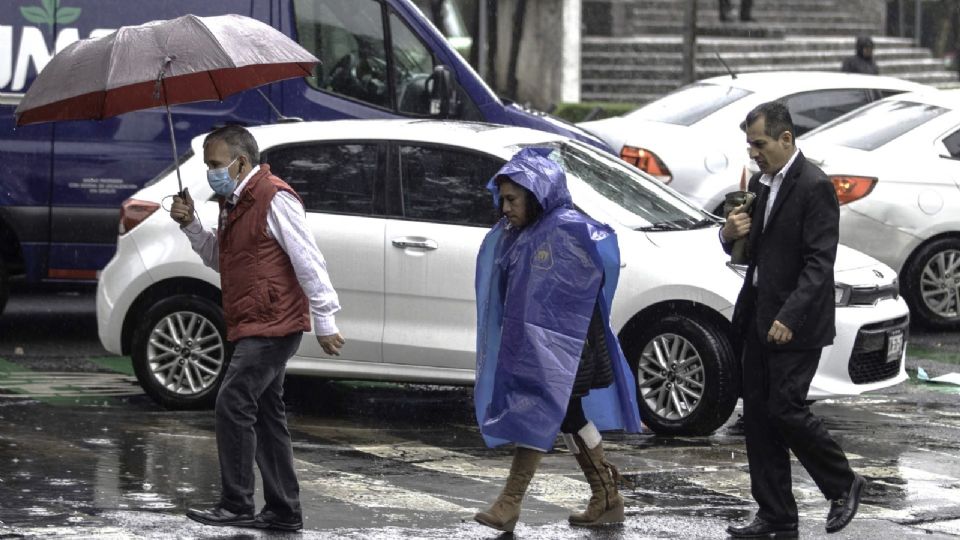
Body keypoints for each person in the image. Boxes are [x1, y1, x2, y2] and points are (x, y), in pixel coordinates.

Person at [169, 125, 345, 532]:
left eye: (215, 164)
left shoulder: (273, 197)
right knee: (266, 413)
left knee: (233, 401)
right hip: (253, 321)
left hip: (273, 323)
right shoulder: (234, 202)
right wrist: (192, 224)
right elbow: (221, 258)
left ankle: (237, 503)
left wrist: (325, 318)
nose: (210, 171)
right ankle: (284, 510)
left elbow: (308, 259)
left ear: (240, 162)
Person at [473, 148, 643, 533]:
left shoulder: (563, 228)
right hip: (546, 348)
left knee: (543, 412)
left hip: (566, 349)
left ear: (536, 194)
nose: (504, 208)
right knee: (569, 417)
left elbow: (575, 289)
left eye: (512, 199)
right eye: (501, 199)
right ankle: (607, 497)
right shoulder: (526, 231)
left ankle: (510, 502)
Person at [721, 102, 866, 538]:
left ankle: (844, 483)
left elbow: (819, 264)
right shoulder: (764, 183)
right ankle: (775, 514)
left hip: (796, 322)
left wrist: (789, 315)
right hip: (758, 314)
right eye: (749, 145)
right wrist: (729, 234)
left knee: (785, 408)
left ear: (786, 139)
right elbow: (751, 248)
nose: (754, 153)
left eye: (760, 144)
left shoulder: (814, 185)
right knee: (760, 417)